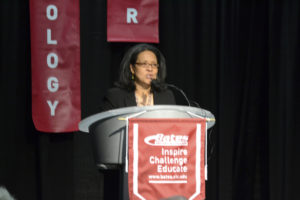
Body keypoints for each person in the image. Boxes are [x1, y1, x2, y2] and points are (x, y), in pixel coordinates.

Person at [101, 43, 176, 111]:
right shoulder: (115, 97)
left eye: (154, 65)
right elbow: (107, 125)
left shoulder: (167, 96)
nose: (150, 69)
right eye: (144, 64)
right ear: (132, 68)